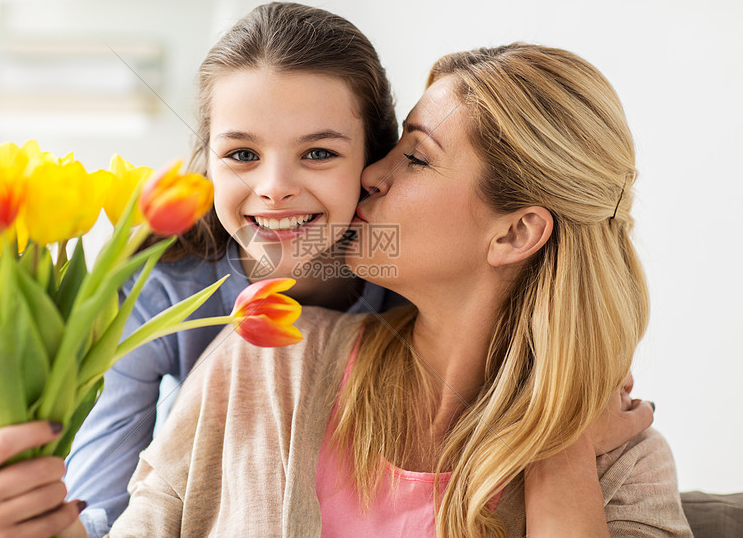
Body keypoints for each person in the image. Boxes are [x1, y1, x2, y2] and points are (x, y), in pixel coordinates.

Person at [95, 43, 691, 536]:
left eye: (418, 158)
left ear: (514, 233)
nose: (372, 174)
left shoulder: (623, 459)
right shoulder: (268, 361)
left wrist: (558, 443)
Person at [62, 2, 405, 537]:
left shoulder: (409, 283)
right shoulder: (162, 286)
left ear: (374, 161)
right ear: (208, 160)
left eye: (317, 153)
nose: (273, 187)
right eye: (243, 155)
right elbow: (94, 506)